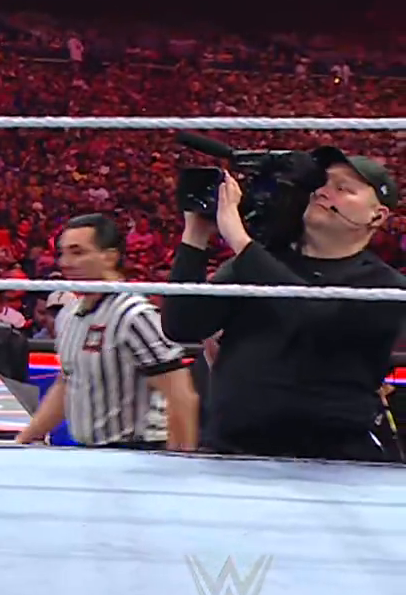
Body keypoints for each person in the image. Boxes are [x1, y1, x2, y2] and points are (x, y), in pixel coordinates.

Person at [163, 154, 404, 461]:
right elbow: (182, 325)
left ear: (377, 216)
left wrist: (239, 239)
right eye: (321, 184)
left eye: (343, 188)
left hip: (330, 461)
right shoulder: (259, 262)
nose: (323, 192)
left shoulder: (385, 285)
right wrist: (195, 236)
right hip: (234, 453)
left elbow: (315, 319)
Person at [15, 214, 197, 450]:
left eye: (77, 252)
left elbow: (180, 396)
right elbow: (67, 385)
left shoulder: (135, 315)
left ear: (110, 257)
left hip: (139, 452)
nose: (65, 262)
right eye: (62, 253)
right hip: (91, 453)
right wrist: (24, 439)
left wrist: (180, 463)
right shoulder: (68, 315)